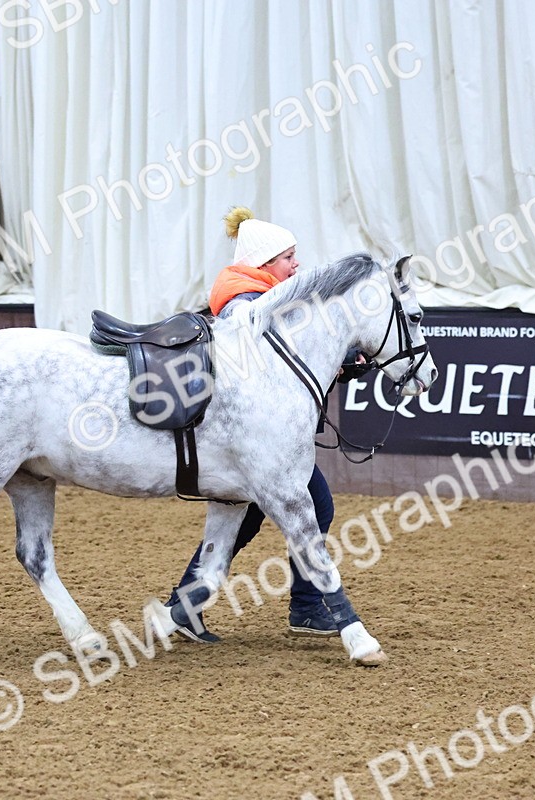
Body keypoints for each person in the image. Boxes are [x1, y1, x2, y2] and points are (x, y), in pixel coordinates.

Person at [166, 207, 368, 643]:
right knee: (314, 508)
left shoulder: (259, 296)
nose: (296, 265)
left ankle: (185, 606)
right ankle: (308, 608)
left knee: (249, 519)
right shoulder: (245, 303)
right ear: (263, 263)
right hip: (257, 443)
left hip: (263, 442)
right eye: (288, 257)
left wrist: (344, 364)